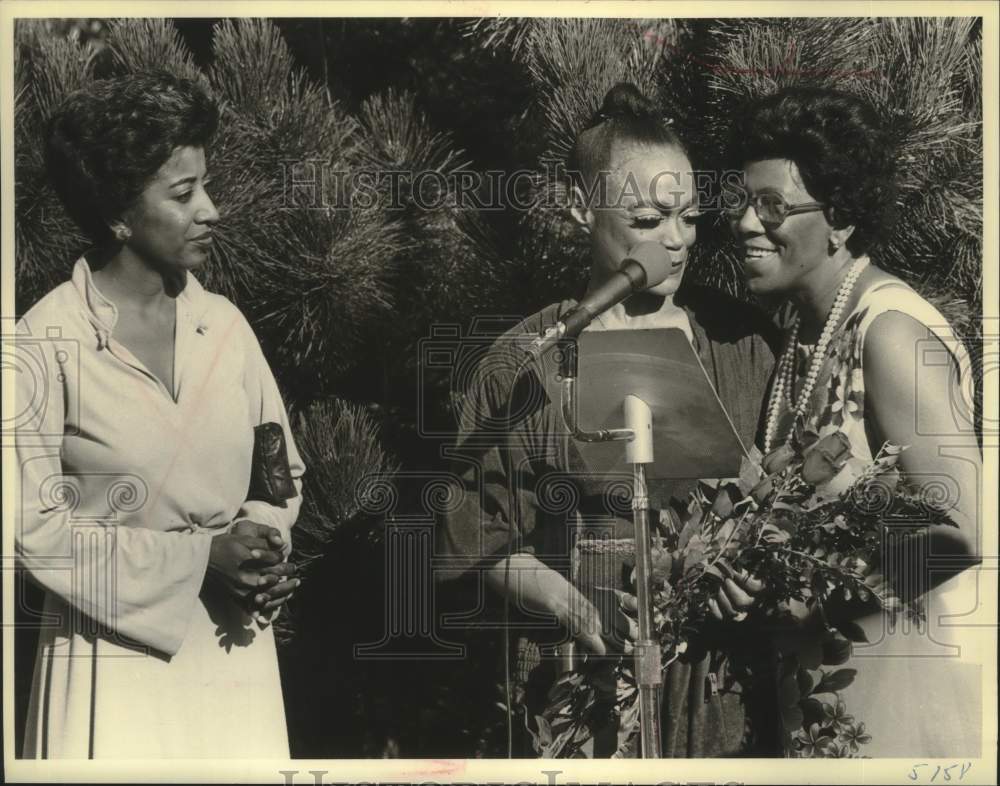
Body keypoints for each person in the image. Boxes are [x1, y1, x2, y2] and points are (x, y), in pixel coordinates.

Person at [438, 83, 781, 757]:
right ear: (579, 207)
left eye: (688, 218)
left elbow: (787, 497)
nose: (676, 244)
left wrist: (757, 571)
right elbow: (475, 534)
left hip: (721, 689)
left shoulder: (745, 346)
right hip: (582, 681)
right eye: (650, 221)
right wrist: (571, 606)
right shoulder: (524, 360)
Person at [14, 72, 305, 758]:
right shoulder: (42, 342)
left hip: (235, 661)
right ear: (118, 213)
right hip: (111, 667)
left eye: (205, 185)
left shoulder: (226, 328)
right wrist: (197, 559)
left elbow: (277, 467)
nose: (211, 210)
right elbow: (32, 531)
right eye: (182, 194)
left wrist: (261, 546)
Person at [720, 85, 983, 757]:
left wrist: (814, 602)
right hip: (818, 706)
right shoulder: (801, 342)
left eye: (772, 205)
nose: (746, 223)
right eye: (741, 201)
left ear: (838, 218)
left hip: (902, 701)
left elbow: (963, 532)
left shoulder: (888, 332)